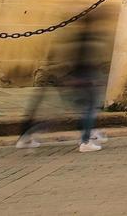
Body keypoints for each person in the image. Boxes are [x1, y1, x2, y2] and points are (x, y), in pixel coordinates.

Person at [17, 8, 110, 152]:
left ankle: (26, 136)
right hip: (83, 79)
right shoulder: (90, 38)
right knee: (88, 110)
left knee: (59, 113)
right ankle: (86, 142)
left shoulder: (76, 35)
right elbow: (85, 60)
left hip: (71, 77)